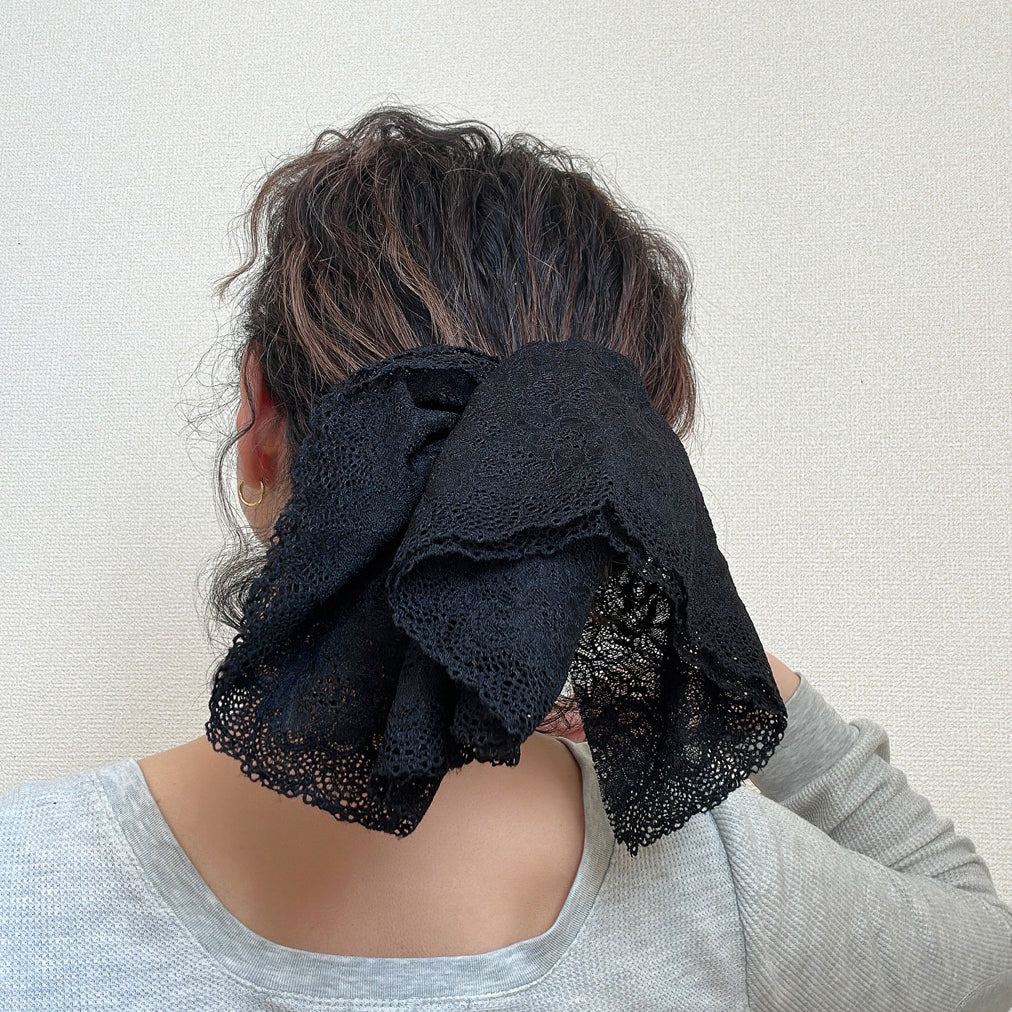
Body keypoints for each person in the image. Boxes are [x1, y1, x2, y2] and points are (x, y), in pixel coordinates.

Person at [1, 106, 1010, 1012]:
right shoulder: (735, 891)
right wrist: (723, 666)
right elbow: (985, 947)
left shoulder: (24, 887)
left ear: (260, 420)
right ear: (626, 487)